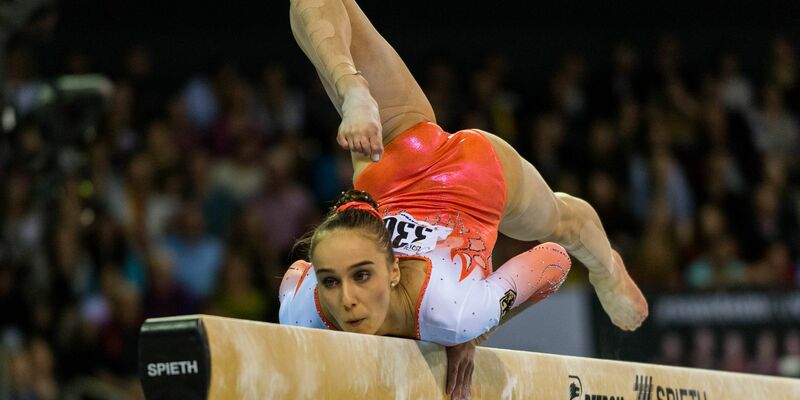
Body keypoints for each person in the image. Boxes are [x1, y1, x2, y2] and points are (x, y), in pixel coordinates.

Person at [281, 0, 649, 398]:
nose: (346, 299)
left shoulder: (449, 311)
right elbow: (299, 271)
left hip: (459, 174)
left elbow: (555, 257)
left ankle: (607, 268)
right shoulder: (445, 311)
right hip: (403, 161)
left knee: (564, 225)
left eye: (361, 275)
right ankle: (350, 84)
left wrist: (476, 327)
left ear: (390, 270)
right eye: (330, 280)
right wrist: (479, 318)